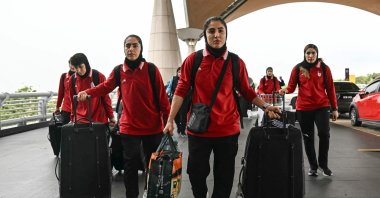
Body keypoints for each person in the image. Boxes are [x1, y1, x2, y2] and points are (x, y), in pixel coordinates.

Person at [163, 16, 281, 198]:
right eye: (211, 31)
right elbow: (180, 91)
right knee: (195, 174)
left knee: (224, 178)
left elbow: (247, 91)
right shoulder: (193, 61)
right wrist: (170, 120)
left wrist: (266, 106)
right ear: (205, 35)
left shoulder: (236, 62)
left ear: (226, 34)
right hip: (198, 130)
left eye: (220, 31)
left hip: (227, 129)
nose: (216, 35)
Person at [77, 34, 170, 198]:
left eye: (135, 45)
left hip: (152, 127)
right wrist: (87, 92)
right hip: (129, 128)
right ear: (124, 49)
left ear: (140, 48)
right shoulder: (119, 71)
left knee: (154, 167)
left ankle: (153, 195)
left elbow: (163, 99)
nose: (131, 49)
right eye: (128, 46)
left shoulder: (151, 69)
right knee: (130, 167)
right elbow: (105, 87)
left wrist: (168, 122)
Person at [279, 43, 338, 177]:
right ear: (304, 54)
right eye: (308, 53)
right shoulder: (298, 68)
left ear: (317, 54)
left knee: (324, 134)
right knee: (308, 138)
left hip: (321, 107)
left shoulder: (324, 68)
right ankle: (313, 166)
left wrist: (334, 108)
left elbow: (330, 88)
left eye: (313, 53)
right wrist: (284, 90)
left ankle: (324, 165)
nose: (310, 55)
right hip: (304, 108)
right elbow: (292, 87)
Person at [68, 53, 116, 127]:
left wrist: (111, 117)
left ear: (86, 63)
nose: (79, 70)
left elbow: (106, 99)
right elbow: (72, 100)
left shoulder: (99, 76)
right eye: (76, 68)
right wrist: (72, 119)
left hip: (99, 119)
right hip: (80, 120)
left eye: (81, 67)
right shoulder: (72, 79)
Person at [166, 67, 187, 137]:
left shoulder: (186, 79)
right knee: (176, 116)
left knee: (183, 115)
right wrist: (167, 92)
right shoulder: (174, 78)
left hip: (185, 100)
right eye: (179, 72)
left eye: (181, 72)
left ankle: (183, 130)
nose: (180, 73)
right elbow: (169, 87)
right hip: (174, 99)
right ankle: (178, 126)